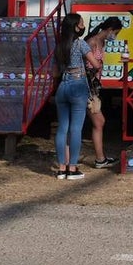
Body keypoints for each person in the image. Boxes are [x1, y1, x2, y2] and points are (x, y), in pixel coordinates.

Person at [53, 12, 101, 180]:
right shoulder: (80, 44)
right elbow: (95, 64)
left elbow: (55, 72)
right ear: (75, 27)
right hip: (78, 86)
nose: (83, 26)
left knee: (62, 128)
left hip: (62, 87)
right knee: (76, 129)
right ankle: (72, 168)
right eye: (81, 24)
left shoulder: (59, 46)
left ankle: (61, 168)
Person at [85, 16, 124, 169]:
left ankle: (100, 158)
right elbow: (85, 65)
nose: (115, 36)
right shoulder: (92, 42)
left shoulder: (101, 43)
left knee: (98, 122)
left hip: (93, 88)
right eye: (115, 33)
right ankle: (99, 159)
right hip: (87, 87)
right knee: (98, 121)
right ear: (109, 30)